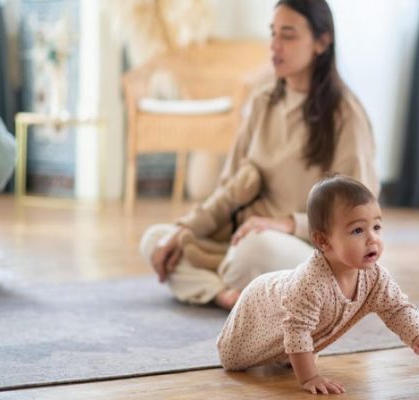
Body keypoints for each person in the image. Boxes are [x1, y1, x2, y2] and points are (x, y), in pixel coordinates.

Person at [139, 0, 378, 310]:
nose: (275, 45)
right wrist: (186, 229)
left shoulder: (346, 115)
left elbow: (359, 218)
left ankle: (222, 283)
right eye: (272, 33)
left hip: (309, 250)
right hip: (242, 238)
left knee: (253, 250)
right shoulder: (263, 103)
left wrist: (287, 224)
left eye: (288, 35)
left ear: (321, 42)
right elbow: (228, 193)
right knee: (156, 239)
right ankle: (225, 293)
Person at [217, 175, 419, 395]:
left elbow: (397, 308)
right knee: (233, 358)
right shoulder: (310, 283)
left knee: (292, 349)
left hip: (288, 311)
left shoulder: (375, 277)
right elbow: (297, 330)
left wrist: (418, 333)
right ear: (323, 241)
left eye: (377, 227)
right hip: (259, 301)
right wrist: (309, 378)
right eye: (358, 230)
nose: (372, 239)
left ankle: (287, 356)